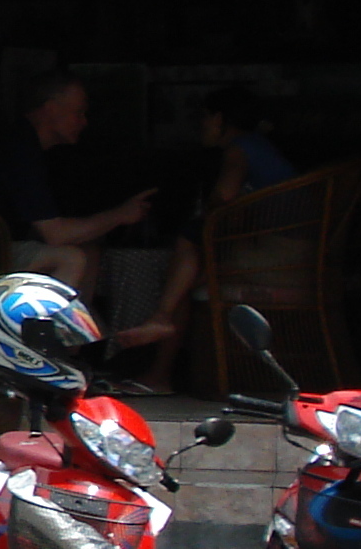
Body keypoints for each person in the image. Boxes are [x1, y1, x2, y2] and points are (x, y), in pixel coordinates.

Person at [112, 87, 299, 366]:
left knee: (188, 246)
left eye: (204, 116)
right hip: (291, 254)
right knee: (185, 278)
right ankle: (160, 352)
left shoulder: (240, 147)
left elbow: (225, 196)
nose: (200, 124)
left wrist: (206, 211)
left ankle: (160, 330)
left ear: (219, 118)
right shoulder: (261, 147)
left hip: (279, 258)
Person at [0, 69, 156, 294]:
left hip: (6, 243)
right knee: (71, 258)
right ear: (50, 109)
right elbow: (56, 234)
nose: (84, 122)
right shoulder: (19, 149)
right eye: (79, 113)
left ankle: (84, 325)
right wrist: (121, 215)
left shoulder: (38, 149)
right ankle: (50, 328)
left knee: (88, 250)